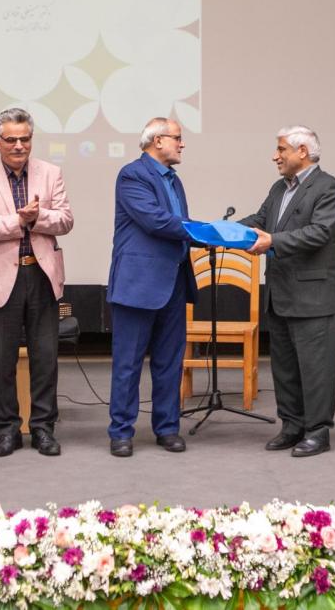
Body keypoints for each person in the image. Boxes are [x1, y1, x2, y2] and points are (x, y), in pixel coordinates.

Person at [0, 107, 74, 457]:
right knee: (2, 361)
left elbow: (66, 220)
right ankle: (7, 430)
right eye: (11, 140)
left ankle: (43, 428)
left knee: (45, 358)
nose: (19, 146)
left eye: (25, 139)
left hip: (41, 275)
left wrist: (38, 218)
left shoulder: (50, 173)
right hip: (0, 278)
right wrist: (18, 221)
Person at [237, 125, 335, 457]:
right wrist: (221, 232)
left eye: (281, 149)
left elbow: (320, 232)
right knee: (284, 368)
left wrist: (273, 241)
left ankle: (318, 431)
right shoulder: (278, 188)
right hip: (281, 294)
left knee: (316, 369)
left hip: (314, 297)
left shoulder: (328, 187)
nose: (275, 156)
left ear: (302, 151)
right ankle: (292, 425)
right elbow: (260, 220)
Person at [105, 117, 195, 457]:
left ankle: (167, 428)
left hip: (173, 281)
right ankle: (121, 431)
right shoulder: (132, 175)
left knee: (170, 362)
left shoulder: (174, 179)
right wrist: (204, 231)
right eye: (177, 138)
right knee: (128, 363)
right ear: (157, 141)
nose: (182, 144)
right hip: (138, 284)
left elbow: (176, 224)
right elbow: (156, 221)